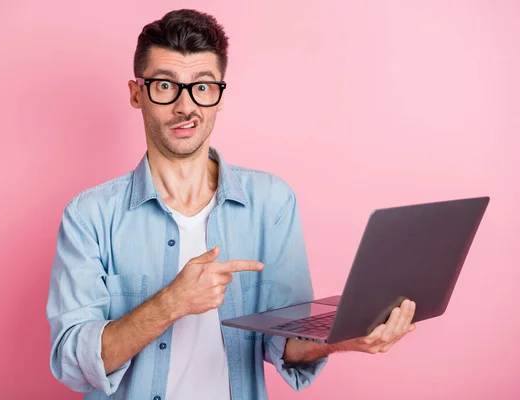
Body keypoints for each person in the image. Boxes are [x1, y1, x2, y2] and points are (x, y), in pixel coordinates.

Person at [46, 9, 416, 400]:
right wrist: (170, 303)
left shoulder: (271, 202)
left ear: (220, 95)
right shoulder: (88, 216)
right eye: (165, 86)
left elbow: (285, 342)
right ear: (137, 93)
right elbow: (72, 360)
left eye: (202, 87)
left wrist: (343, 339)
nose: (185, 106)